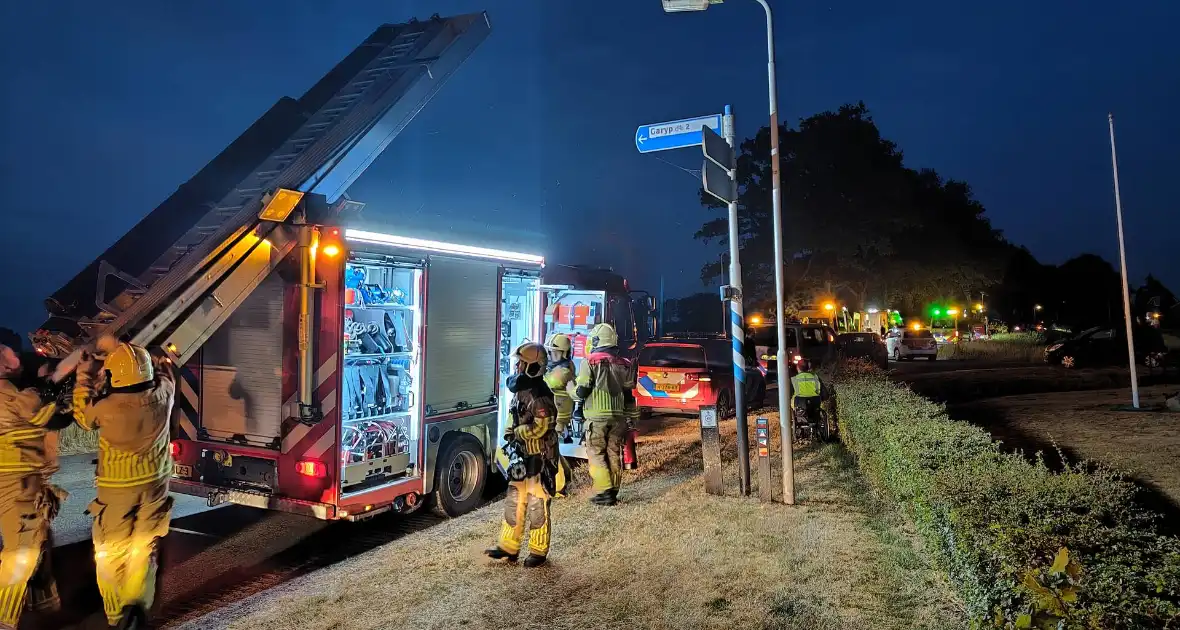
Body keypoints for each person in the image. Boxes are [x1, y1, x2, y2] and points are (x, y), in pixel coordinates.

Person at [70, 335, 175, 629]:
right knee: (144, 544)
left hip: (117, 489)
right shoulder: (164, 394)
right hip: (155, 482)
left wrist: (84, 376)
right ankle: (137, 603)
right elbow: (167, 371)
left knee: (110, 551)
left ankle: (119, 617)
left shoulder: (106, 408)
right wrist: (158, 360)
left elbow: (82, 416)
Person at [0, 344, 63, 630]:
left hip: (21, 479)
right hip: (17, 483)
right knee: (22, 551)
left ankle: (44, 604)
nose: (15, 353)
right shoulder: (12, 397)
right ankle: (5, 619)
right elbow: (42, 413)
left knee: (39, 538)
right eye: (7, 350)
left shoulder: (12, 392)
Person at [486, 342, 561, 567]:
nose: (517, 366)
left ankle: (538, 551)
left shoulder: (539, 394)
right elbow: (513, 415)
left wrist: (518, 432)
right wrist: (510, 437)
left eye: (521, 363)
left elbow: (543, 427)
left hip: (540, 456)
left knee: (538, 503)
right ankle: (508, 546)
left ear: (532, 367)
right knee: (514, 500)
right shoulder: (521, 390)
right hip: (522, 454)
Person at [574, 323, 634, 506]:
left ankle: (604, 490)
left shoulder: (590, 361)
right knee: (614, 453)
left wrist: (573, 395)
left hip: (596, 417)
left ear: (596, 341)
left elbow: (583, 389)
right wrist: (631, 418)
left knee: (596, 453)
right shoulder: (625, 364)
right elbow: (629, 394)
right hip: (618, 418)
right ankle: (613, 491)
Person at [542, 333, 576, 436]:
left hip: (558, 418)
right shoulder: (559, 367)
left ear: (564, 354)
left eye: (553, 353)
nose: (550, 356)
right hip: (555, 416)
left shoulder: (563, 371)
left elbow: (547, 383)